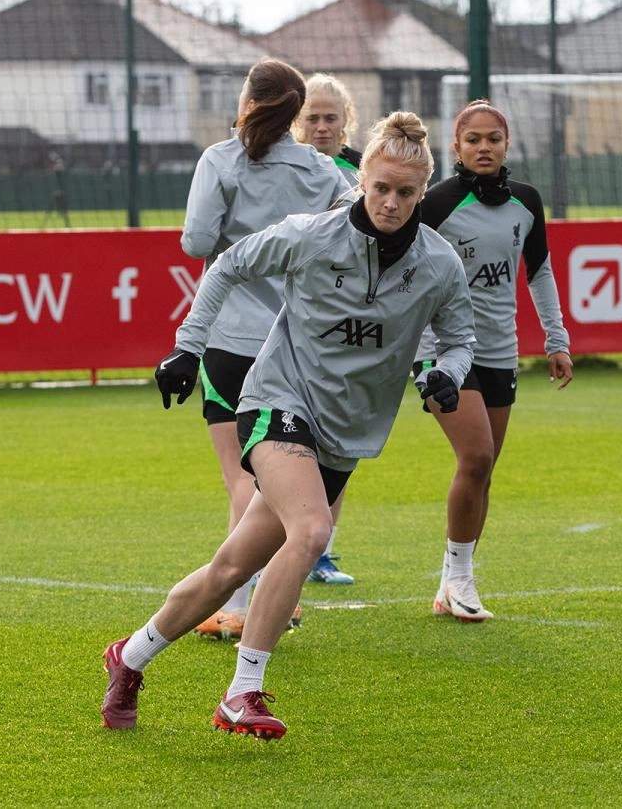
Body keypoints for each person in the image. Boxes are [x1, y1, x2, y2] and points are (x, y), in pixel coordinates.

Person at [102, 111, 475, 740]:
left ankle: (129, 656)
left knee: (228, 571)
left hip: (345, 431)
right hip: (277, 400)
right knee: (312, 530)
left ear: (422, 191)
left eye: (405, 192)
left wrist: (447, 371)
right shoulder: (310, 235)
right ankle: (243, 692)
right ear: (363, 181)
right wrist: (187, 349)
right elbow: (224, 266)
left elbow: (459, 338)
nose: (390, 201)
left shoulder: (438, 264)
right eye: (380, 187)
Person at [179, 59, 353, 638]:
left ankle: (238, 605)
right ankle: (283, 594)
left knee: (242, 478)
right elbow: (351, 232)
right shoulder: (321, 168)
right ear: (296, 112)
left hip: (231, 337)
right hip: (297, 342)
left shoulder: (220, 160)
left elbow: (198, 241)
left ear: (248, 101)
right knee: (289, 474)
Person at [413, 100, 573, 623]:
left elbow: (540, 272)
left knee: (483, 469)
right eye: (473, 139)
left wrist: (557, 338)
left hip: (501, 352)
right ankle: (461, 579)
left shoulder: (526, 202)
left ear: (507, 145)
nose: (484, 147)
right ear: (455, 148)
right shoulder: (434, 204)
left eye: (494, 139)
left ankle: (449, 582)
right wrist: (416, 354)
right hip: (444, 353)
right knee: (477, 456)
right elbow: (405, 277)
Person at [291, 72, 363, 585]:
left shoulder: (364, 172)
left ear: (346, 121)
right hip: (300, 318)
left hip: (351, 322)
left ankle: (323, 550)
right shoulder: (290, 168)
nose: (321, 126)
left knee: (340, 440)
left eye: (330, 117)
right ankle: (292, 542)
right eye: (311, 117)